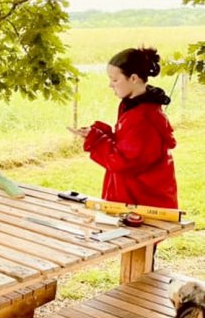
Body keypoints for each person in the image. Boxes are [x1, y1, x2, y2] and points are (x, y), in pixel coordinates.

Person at [68, 46, 178, 209]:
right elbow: (128, 147)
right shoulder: (134, 106)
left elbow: (122, 161)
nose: (110, 85)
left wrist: (96, 139)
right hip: (134, 198)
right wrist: (97, 133)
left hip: (142, 203)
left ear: (133, 78)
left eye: (114, 80)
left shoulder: (142, 118)